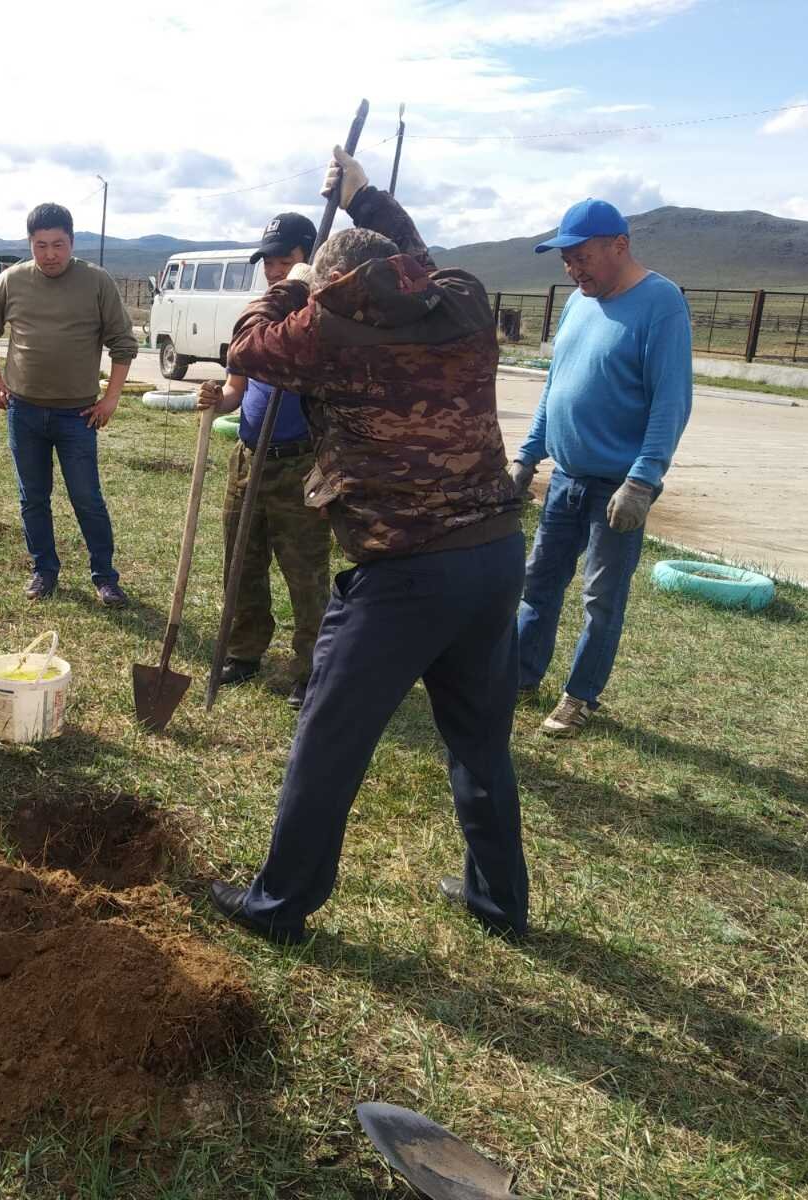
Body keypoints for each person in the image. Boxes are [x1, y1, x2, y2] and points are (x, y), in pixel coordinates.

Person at [206, 147, 530, 945]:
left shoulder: (327, 334)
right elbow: (415, 258)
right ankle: (500, 901)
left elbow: (248, 347)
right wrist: (365, 199)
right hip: (492, 556)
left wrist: (287, 284)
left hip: (407, 571)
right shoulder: (460, 303)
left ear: (327, 288)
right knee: (480, 738)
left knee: (330, 737)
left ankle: (279, 905)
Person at [510, 199, 693, 738]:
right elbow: (555, 386)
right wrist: (527, 455)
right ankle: (519, 675)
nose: (574, 269)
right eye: (567, 260)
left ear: (620, 246)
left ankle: (580, 695)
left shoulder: (661, 303)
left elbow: (671, 402)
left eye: (583, 257)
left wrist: (644, 478)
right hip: (565, 476)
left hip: (617, 485)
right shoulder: (576, 303)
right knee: (539, 580)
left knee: (601, 597)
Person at [0, 203, 139, 607]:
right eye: (41, 245)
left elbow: (123, 344)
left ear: (72, 242)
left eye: (58, 245)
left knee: (87, 498)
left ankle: (105, 577)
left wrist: (111, 398)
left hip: (78, 415)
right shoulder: (12, 281)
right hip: (24, 411)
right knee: (33, 497)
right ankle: (44, 571)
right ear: (30, 244)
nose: (50, 254)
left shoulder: (97, 283)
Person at [197, 212, 331, 710]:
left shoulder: (322, 321)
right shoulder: (258, 317)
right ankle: (244, 651)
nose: (275, 271)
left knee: (305, 573)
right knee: (242, 563)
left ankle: (310, 669)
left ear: (308, 260)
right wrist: (219, 399)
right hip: (248, 458)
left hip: (302, 466)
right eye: (269, 263)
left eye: (285, 261)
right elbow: (237, 388)